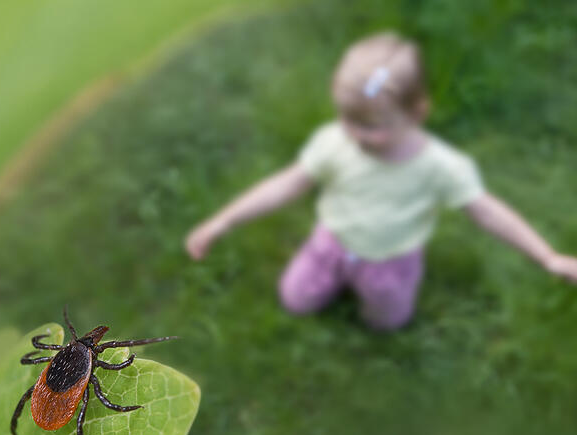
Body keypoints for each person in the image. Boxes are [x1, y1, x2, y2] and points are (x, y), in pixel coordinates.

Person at [185, 31, 577, 330]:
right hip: (330, 245)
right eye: (348, 120)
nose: (356, 134)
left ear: (418, 110)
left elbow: (489, 213)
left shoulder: (443, 167)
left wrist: (546, 257)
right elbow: (287, 184)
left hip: (393, 260)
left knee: (386, 322)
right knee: (294, 301)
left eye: (372, 127)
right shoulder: (333, 143)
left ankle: (378, 307)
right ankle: (327, 282)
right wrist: (225, 219)